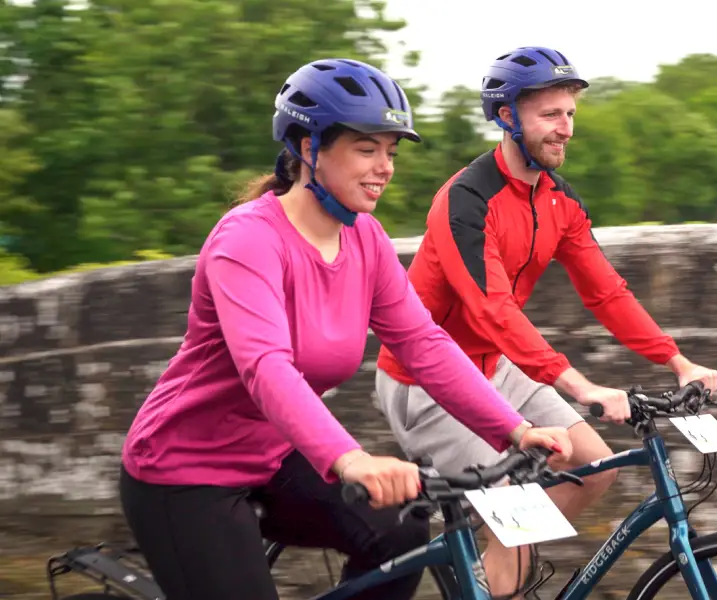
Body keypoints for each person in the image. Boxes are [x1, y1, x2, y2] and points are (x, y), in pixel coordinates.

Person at [117, 57, 573, 600]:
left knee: (403, 524)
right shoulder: (247, 240)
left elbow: (424, 345)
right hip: (186, 469)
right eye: (366, 149)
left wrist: (513, 429)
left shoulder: (366, 239)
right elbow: (266, 368)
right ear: (309, 150)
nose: (385, 167)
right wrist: (350, 459)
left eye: (390, 151)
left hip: (274, 453)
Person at [374, 46, 717, 597]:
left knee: (597, 467)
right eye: (551, 115)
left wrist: (676, 359)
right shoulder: (465, 200)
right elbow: (492, 310)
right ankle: (494, 572)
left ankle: (487, 573)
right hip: (426, 378)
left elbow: (606, 291)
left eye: (571, 114)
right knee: (517, 506)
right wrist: (581, 386)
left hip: (496, 366)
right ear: (507, 116)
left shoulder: (558, 200)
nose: (566, 130)